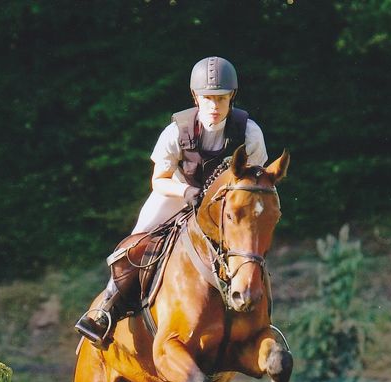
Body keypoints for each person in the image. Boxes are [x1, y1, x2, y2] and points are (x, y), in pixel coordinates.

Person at [75, 56, 269, 349]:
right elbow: (159, 180)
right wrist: (185, 193)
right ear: (195, 97)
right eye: (207, 98)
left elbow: (255, 183)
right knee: (134, 246)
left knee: (249, 247)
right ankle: (105, 309)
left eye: (221, 98)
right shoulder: (177, 131)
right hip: (177, 195)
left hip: (223, 208)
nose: (214, 106)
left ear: (232, 97)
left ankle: (261, 314)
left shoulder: (250, 133)